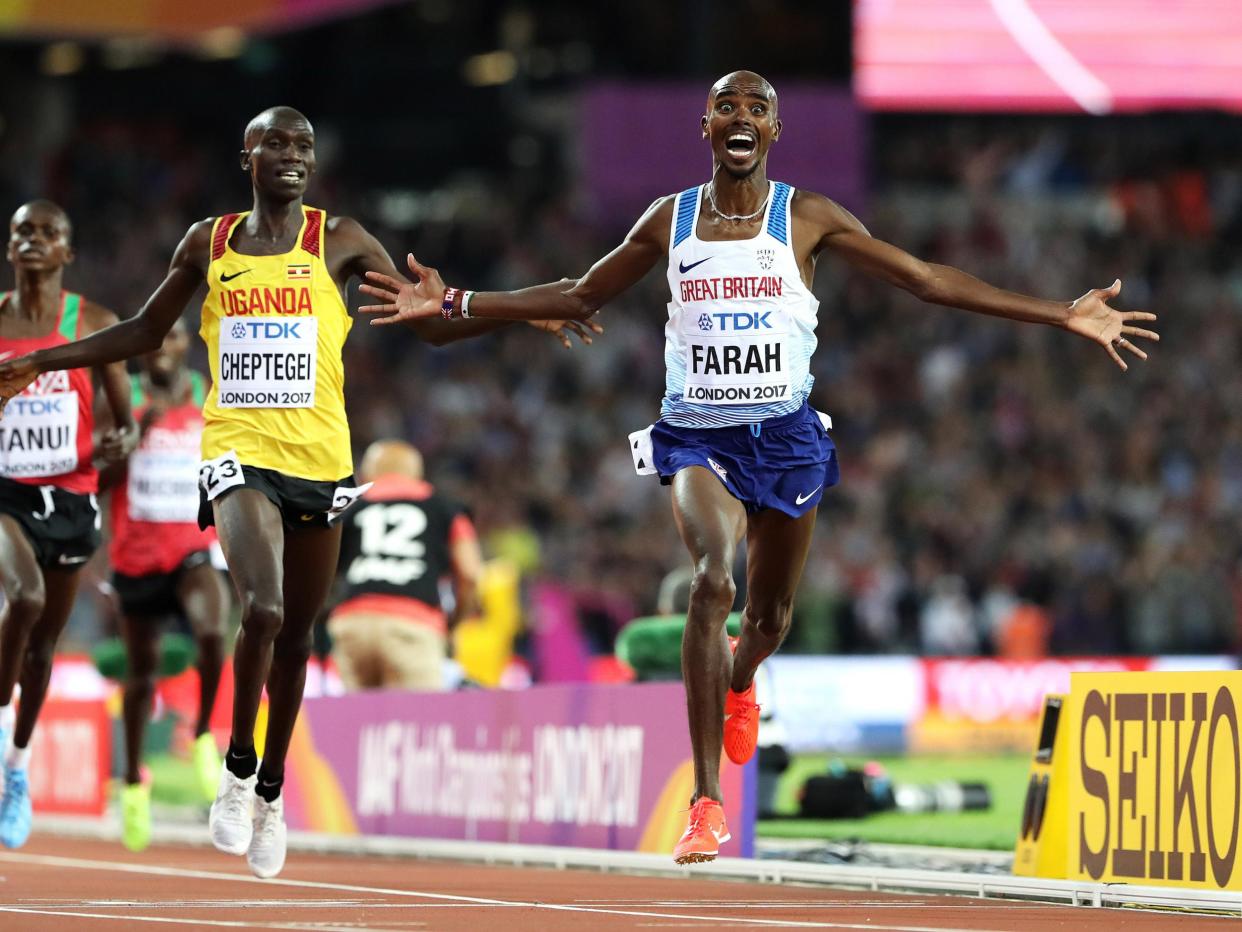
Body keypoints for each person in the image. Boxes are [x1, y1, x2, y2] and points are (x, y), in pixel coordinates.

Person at [357, 71, 1160, 864]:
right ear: (704, 127)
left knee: (768, 621)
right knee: (713, 582)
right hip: (698, 434)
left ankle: (742, 678)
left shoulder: (805, 217)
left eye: (758, 108)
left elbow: (925, 280)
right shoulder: (668, 220)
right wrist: (456, 304)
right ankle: (706, 802)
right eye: (726, 106)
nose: (741, 116)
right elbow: (578, 295)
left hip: (786, 439)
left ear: (774, 131)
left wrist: (1060, 312)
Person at [0, 107, 597, 877]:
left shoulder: (340, 239)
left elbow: (429, 323)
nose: (291, 156)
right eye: (276, 143)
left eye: (304, 146)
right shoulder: (206, 243)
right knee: (265, 606)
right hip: (238, 451)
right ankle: (237, 766)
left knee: (298, 639)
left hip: (321, 459)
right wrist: (50, 359)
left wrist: (525, 305)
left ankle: (271, 793)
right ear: (246, 155)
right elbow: (147, 331)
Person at [0, 200, 137, 849]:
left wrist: (117, 448)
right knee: (22, 597)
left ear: (66, 253)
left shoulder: (96, 324)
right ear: (10, 248)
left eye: (48, 232)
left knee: (43, 647)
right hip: (6, 493)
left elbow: (125, 423)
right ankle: (0, 725)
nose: (34, 239)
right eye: (23, 230)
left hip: (73, 498)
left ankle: (18, 772)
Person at [98, 318, 228, 852]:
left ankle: (201, 734)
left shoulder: (207, 392)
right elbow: (98, 480)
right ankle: (133, 785)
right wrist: (137, 434)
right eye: (154, 337)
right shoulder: (122, 394)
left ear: (185, 344)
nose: (163, 347)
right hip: (135, 556)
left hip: (193, 548)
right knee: (140, 675)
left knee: (214, 628)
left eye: (173, 337)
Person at [329, 439, 482, 691]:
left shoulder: (347, 508)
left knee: (357, 724)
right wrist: (454, 622)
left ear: (367, 472)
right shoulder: (444, 508)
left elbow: (321, 570)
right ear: (416, 472)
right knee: (418, 724)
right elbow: (471, 573)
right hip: (413, 624)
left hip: (353, 623)